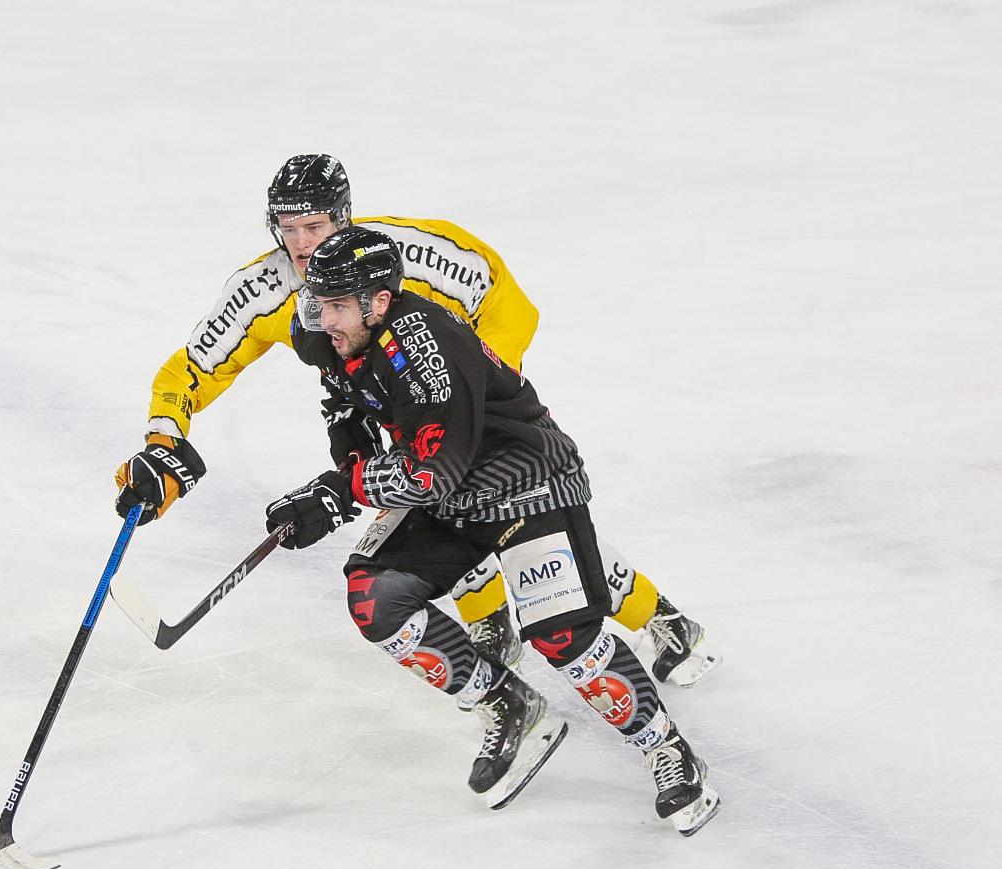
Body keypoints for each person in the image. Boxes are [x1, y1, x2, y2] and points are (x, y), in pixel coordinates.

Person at [114, 154, 718, 687]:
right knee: (432, 502)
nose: (301, 243)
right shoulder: (267, 287)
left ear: (345, 221)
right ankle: (495, 619)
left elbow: (509, 303)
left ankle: (649, 617)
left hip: (462, 379)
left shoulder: (416, 257)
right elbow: (192, 368)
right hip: (385, 388)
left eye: (316, 226)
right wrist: (163, 439)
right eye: (289, 228)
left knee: (502, 510)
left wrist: (463, 405)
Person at [260, 226, 719, 834]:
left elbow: (431, 473)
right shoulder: (339, 337)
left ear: (377, 302)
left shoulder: (426, 348)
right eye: (319, 303)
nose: (324, 317)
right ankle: (510, 705)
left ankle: (667, 749)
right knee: (376, 599)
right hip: (454, 499)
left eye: (338, 305)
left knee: (564, 638)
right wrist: (330, 485)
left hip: (525, 484)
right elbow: (362, 428)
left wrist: (344, 492)